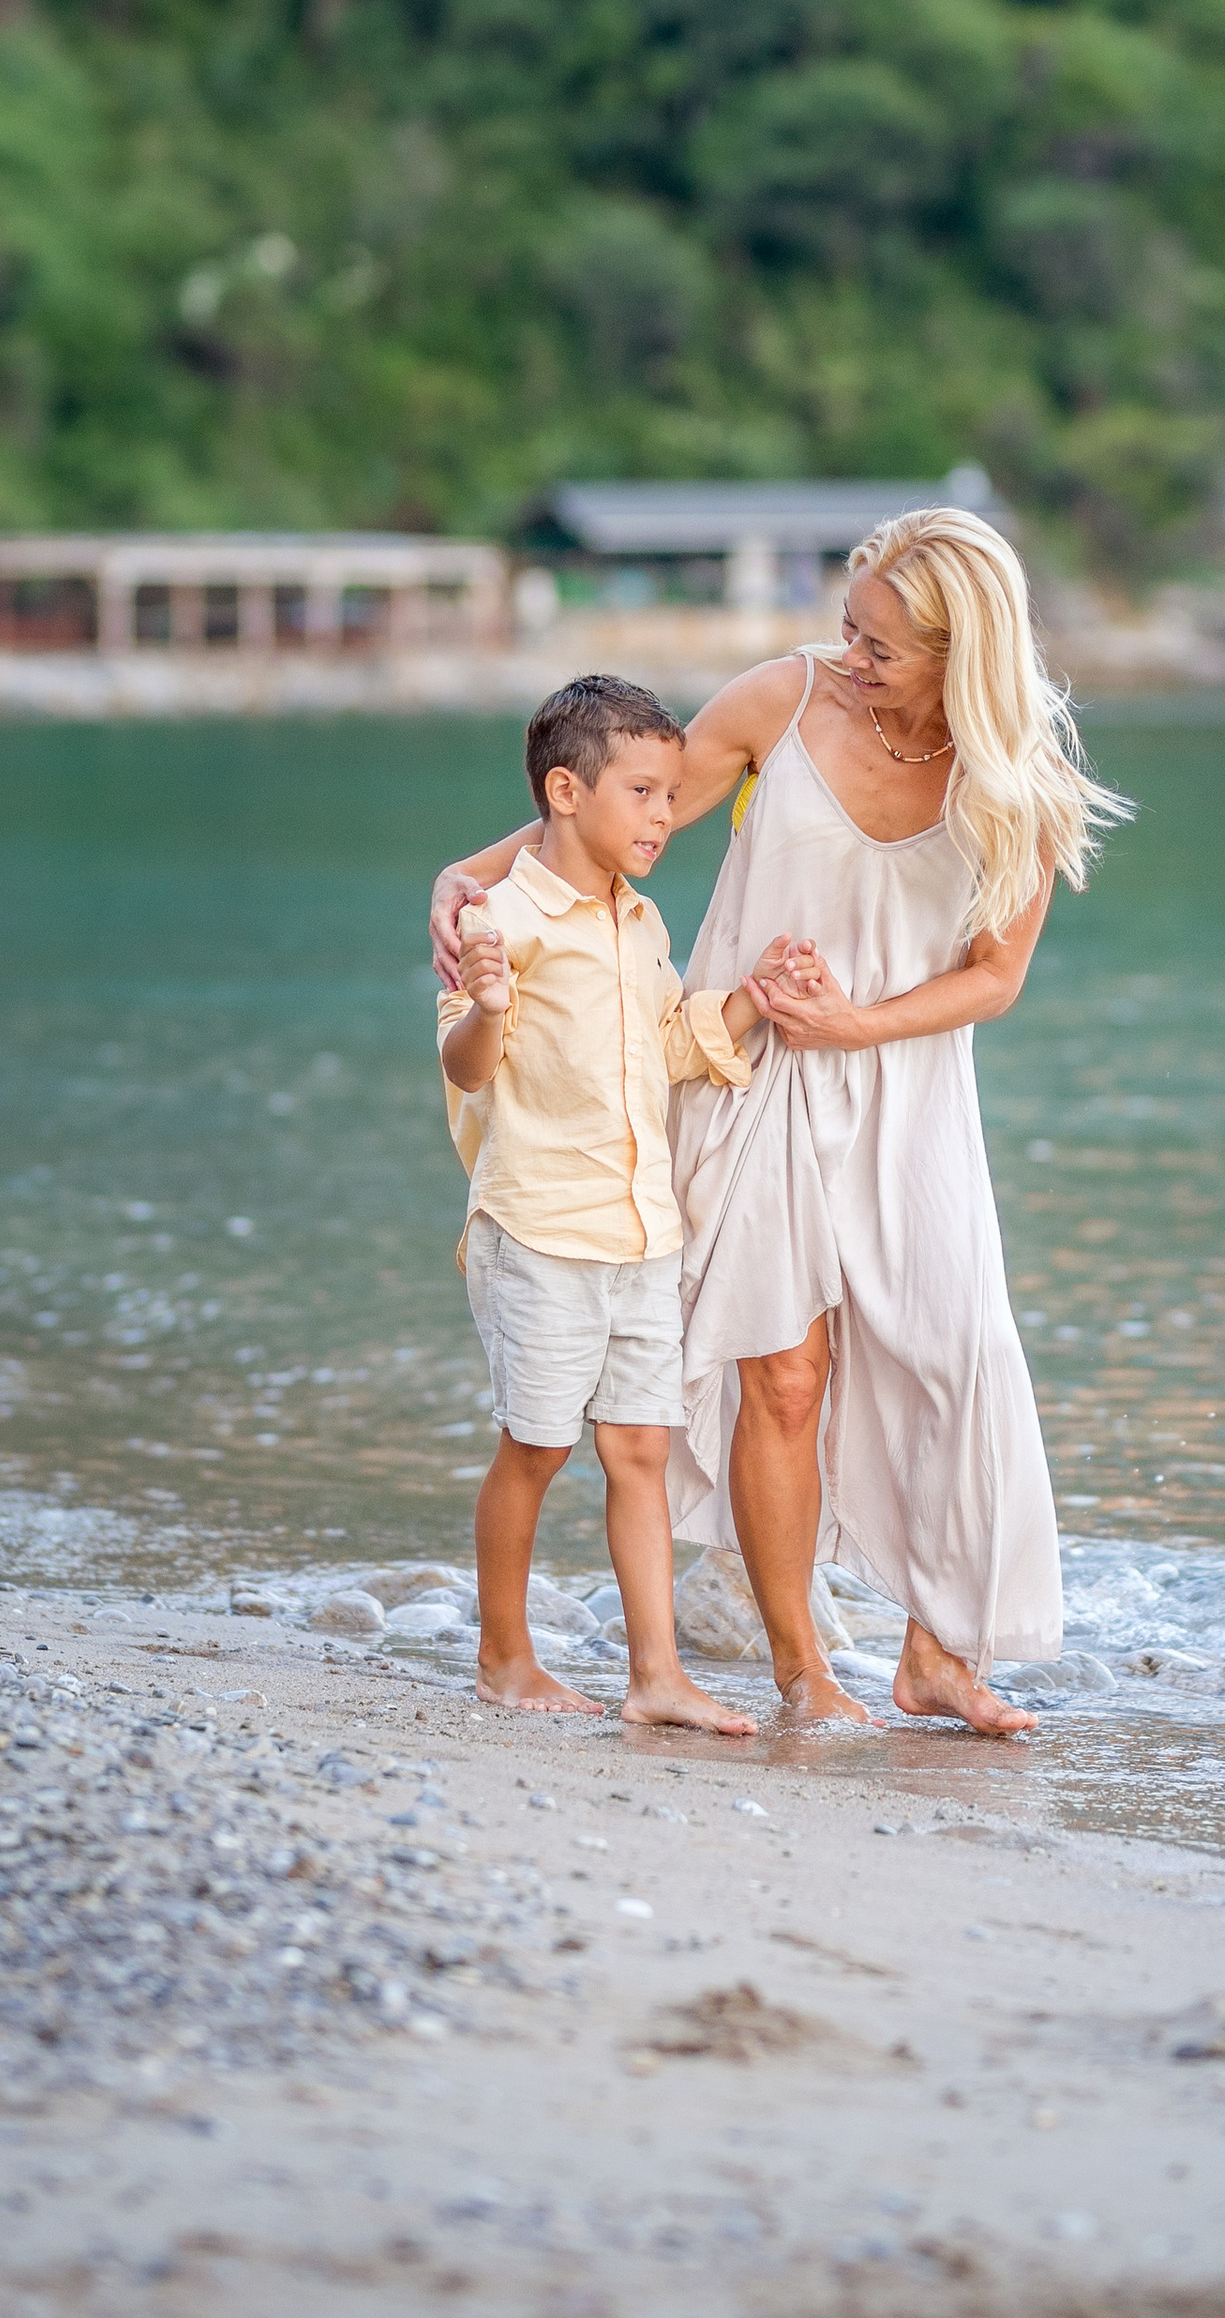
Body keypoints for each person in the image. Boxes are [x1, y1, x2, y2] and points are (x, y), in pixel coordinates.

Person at [430, 506, 1125, 1739]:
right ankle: (804, 1673)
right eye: (849, 629)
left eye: (883, 648)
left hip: (909, 1090)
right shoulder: (780, 703)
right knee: (786, 1379)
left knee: (957, 1358)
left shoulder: (1017, 788)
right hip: (748, 1066)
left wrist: (859, 1026)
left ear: (963, 656)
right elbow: (609, 819)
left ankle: (936, 1655)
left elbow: (992, 978)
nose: (851, 659)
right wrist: (467, 877)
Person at [438, 670, 782, 1731]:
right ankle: (504, 1658)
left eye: (673, 796)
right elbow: (465, 1065)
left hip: (641, 1230)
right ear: (564, 792)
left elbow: (674, 1046)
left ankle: (657, 1677)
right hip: (538, 1227)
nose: (665, 817)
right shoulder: (501, 919)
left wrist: (750, 1001)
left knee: (638, 1448)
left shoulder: (641, 924)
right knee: (535, 1447)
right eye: (642, 792)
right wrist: (489, 1004)